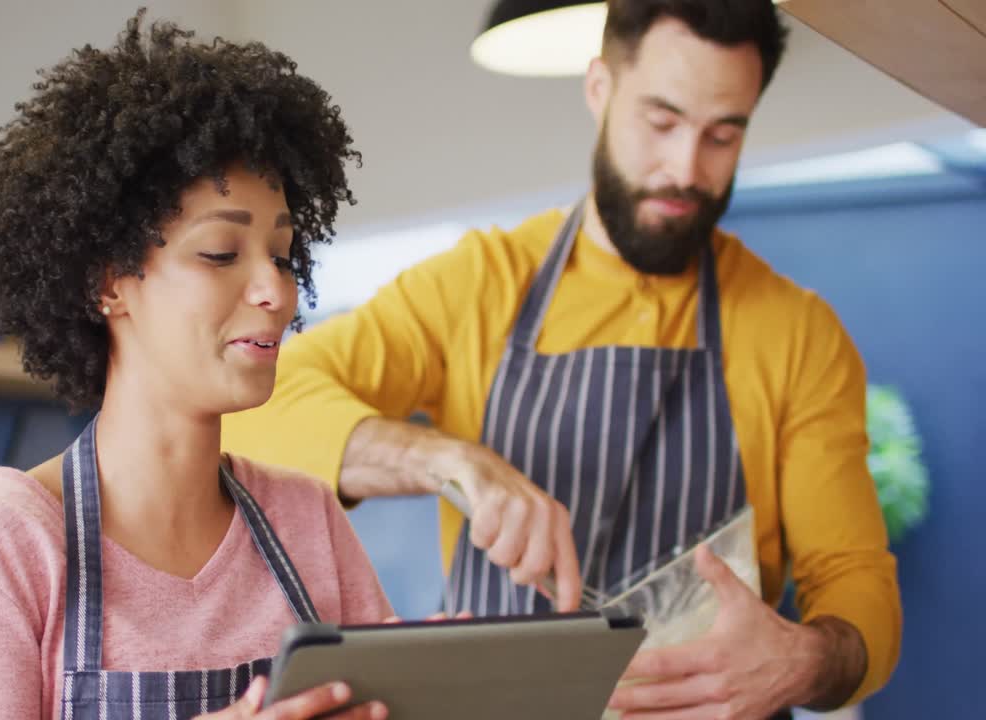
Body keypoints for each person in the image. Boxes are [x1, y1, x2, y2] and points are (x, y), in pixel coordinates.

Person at [221, 1, 901, 717]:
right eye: (661, 122)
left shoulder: (799, 333)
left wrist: (809, 657)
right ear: (600, 89)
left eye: (723, 135)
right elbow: (251, 405)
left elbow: (855, 581)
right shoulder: (480, 283)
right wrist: (455, 465)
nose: (685, 169)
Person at [0, 10, 395, 719]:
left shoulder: (307, 522)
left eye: (284, 257)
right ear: (108, 282)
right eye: (221, 253)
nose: (276, 290)